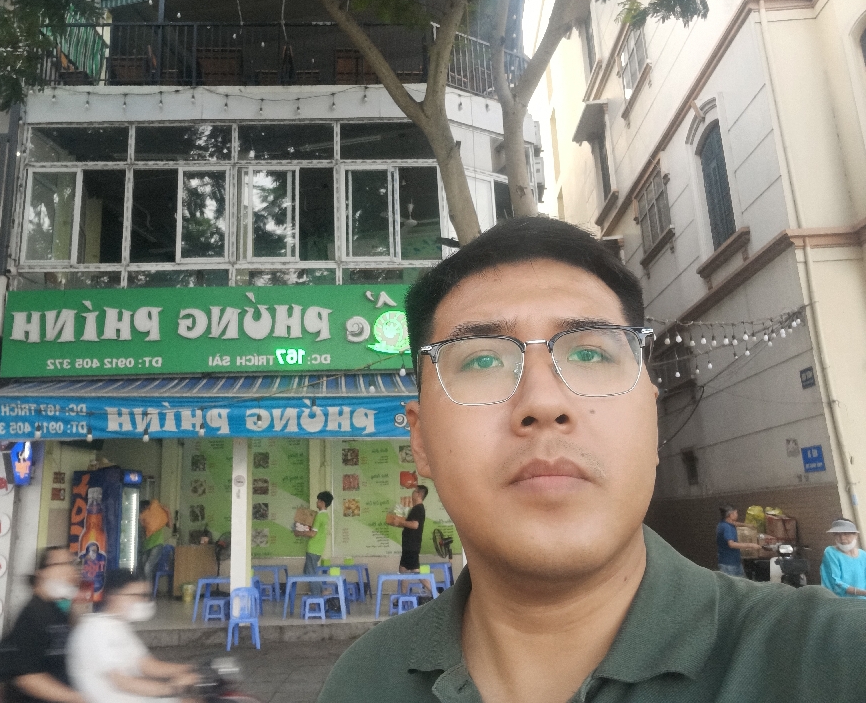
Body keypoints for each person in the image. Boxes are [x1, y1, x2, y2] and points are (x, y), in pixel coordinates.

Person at [318, 216, 866, 703]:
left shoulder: (831, 658)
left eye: (588, 352)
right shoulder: (365, 682)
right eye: (482, 359)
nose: (543, 402)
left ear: (651, 417)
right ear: (420, 441)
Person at [68, 568, 198, 703]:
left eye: (144, 596)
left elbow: (147, 665)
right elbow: (122, 682)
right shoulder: (96, 630)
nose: (142, 601)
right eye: (136, 595)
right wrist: (173, 688)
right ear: (114, 597)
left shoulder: (118, 625)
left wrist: (190, 669)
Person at [0, 546, 86, 703]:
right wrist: (80, 698)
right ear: (41, 574)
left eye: (73, 564)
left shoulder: (56, 611)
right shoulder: (32, 616)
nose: (72, 570)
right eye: (64, 564)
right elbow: (28, 678)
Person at [295, 491, 332, 596]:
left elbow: (312, 534)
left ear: (322, 502)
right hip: (318, 548)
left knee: (310, 573)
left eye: (318, 500)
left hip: (313, 548)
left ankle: (316, 595)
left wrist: (299, 532)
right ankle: (321, 590)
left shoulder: (319, 516)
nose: (316, 502)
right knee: (309, 571)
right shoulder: (326, 515)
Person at [821, 518, 866, 598]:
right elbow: (835, 582)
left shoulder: (863, 555)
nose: (842, 538)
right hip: (841, 602)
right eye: (837, 534)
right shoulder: (830, 552)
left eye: (846, 534)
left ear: (855, 535)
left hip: (862, 602)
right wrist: (861, 592)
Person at [716, 504, 761, 577]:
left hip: (732, 562)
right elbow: (731, 544)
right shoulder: (727, 528)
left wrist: (746, 525)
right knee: (734, 583)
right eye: (736, 513)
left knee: (741, 581)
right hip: (729, 564)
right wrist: (751, 545)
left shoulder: (723, 523)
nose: (737, 514)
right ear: (731, 515)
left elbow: (735, 523)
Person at [391, 486, 428, 573]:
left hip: (411, 546)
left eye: (414, 491)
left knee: (416, 572)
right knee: (403, 570)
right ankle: (428, 580)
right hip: (409, 546)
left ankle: (431, 582)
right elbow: (410, 524)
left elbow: (415, 525)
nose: (412, 493)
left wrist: (400, 521)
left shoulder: (418, 509)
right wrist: (399, 523)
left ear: (419, 494)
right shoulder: (416, 508)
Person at [139, 499, 170, 584]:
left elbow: (169, 525)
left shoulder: (157, 515)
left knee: (147, 567)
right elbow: (143, 532)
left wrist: (168, 512)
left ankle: (148, 589)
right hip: (146, 546)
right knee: (143, 568)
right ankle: (145, 588)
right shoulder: (144, 517)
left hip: (157, 544)